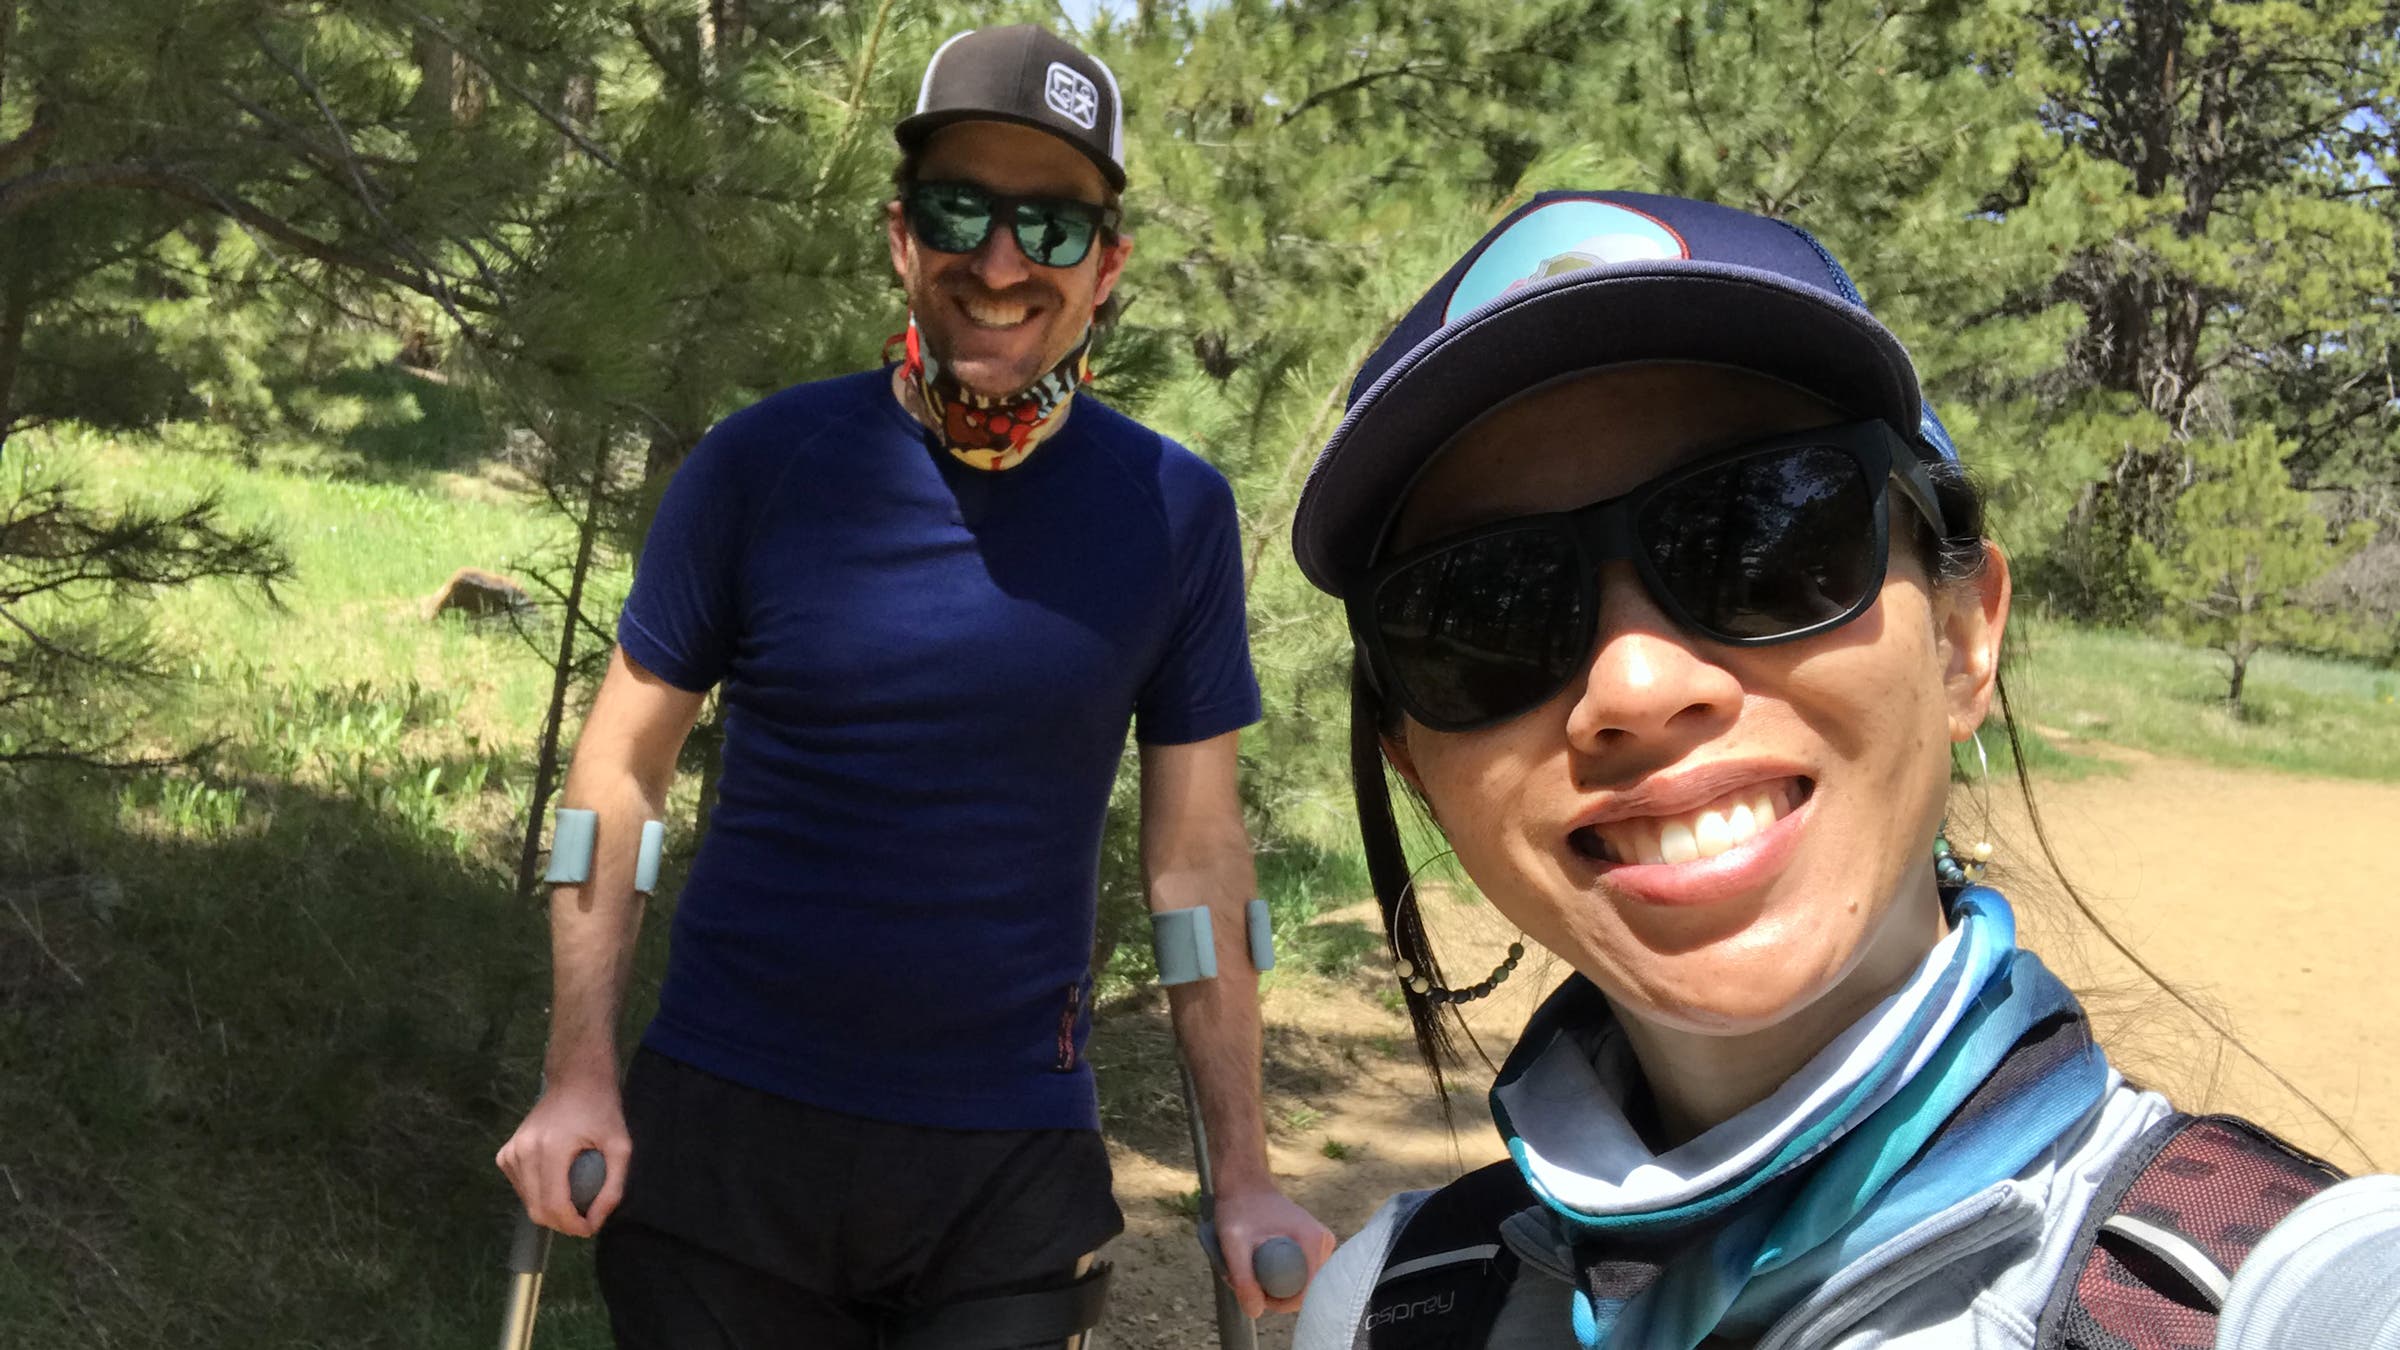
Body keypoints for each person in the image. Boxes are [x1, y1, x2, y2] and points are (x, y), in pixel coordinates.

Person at [1283, 189, 2400, 1350]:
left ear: (1966, 637)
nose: (1637, 688)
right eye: (1481, 610)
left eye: (1767, 535)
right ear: (1417, 769)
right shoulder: (1383, 1306)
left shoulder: (2275, 1301)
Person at [494, 24, 1331, 1349]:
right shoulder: (761, 467)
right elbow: (617, 776)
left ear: (1107, 266)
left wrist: (1246, 1174)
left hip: (1005, 1168)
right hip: (728, 1142)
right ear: (902, 236)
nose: (1001, 263)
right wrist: (577, 1074)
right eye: (961, 209)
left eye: (1052, 227)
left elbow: (1198, 863)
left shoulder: (1174, 511)